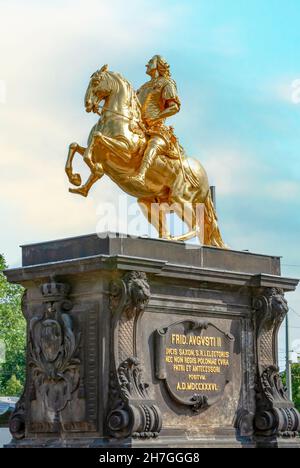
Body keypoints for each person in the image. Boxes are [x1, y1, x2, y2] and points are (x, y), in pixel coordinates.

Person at [130, 55, 181, 185]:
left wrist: (156, 118)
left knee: (153, 145)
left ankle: (141, 175)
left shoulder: (167, 82)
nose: (147, 65)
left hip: (156, 127)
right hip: (139, 125)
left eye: (150, 62)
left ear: (159, 65)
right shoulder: (143, 86)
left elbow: (174, 107)